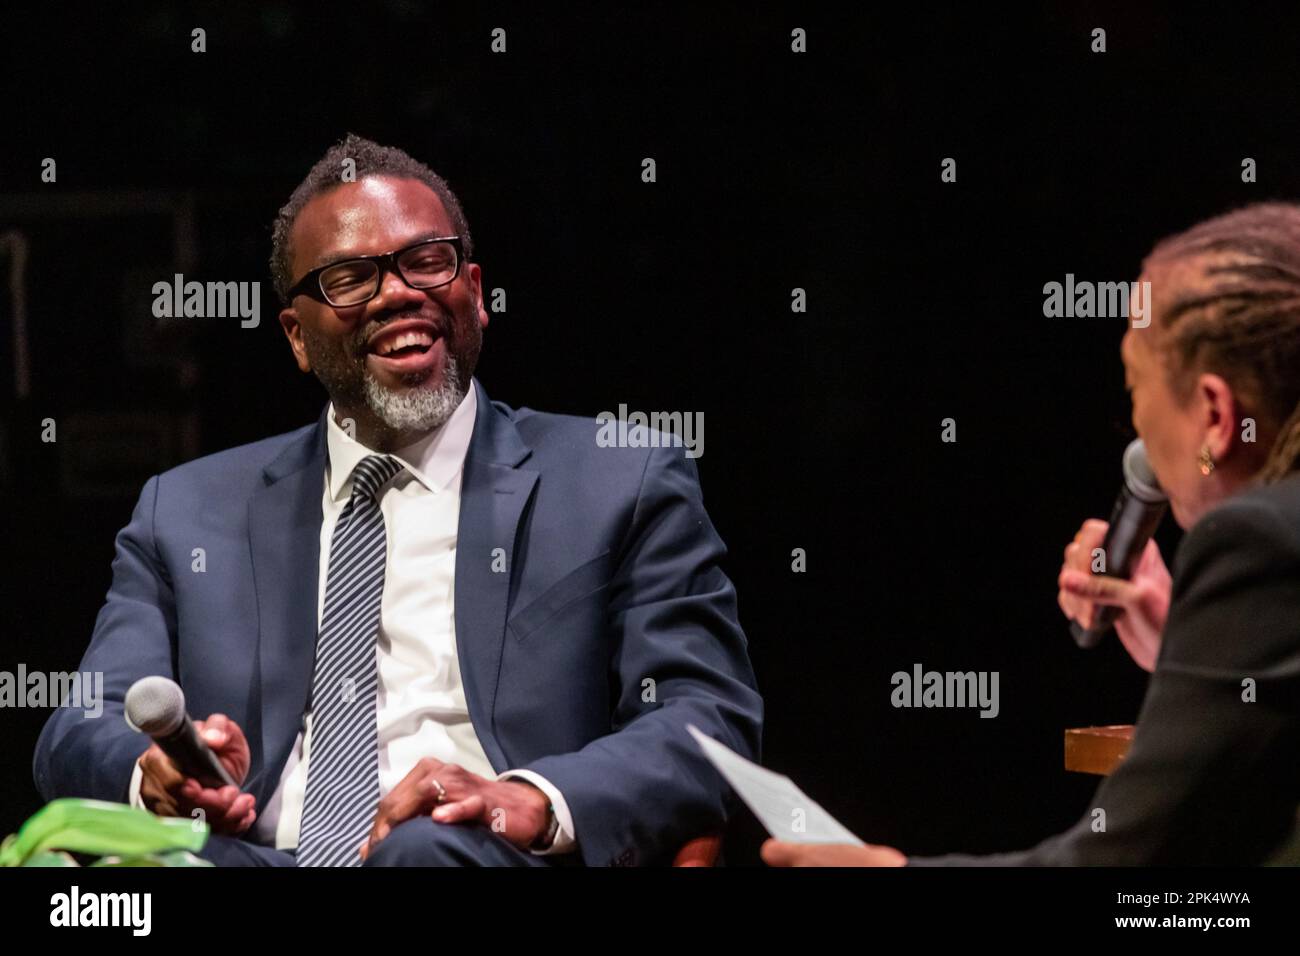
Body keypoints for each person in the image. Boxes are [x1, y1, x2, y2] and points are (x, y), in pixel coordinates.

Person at [32, 133, 763, 867]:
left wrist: (534, 798)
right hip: (248, 856)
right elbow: (80, 722)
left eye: (427, 261)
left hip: (479, 854)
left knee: (421, 852)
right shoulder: (185, 510)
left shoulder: (618, 478)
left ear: (475, 294)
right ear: (295, 335)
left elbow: (705, 718)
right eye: (350, 277)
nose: (398, 291)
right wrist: (151, 777)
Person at [763, 202, 1300, 867]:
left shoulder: (1258, 541)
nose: (1134, 437)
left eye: (1136, 390)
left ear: (1217, 417)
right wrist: (1192, 649)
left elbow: (1129, 869)